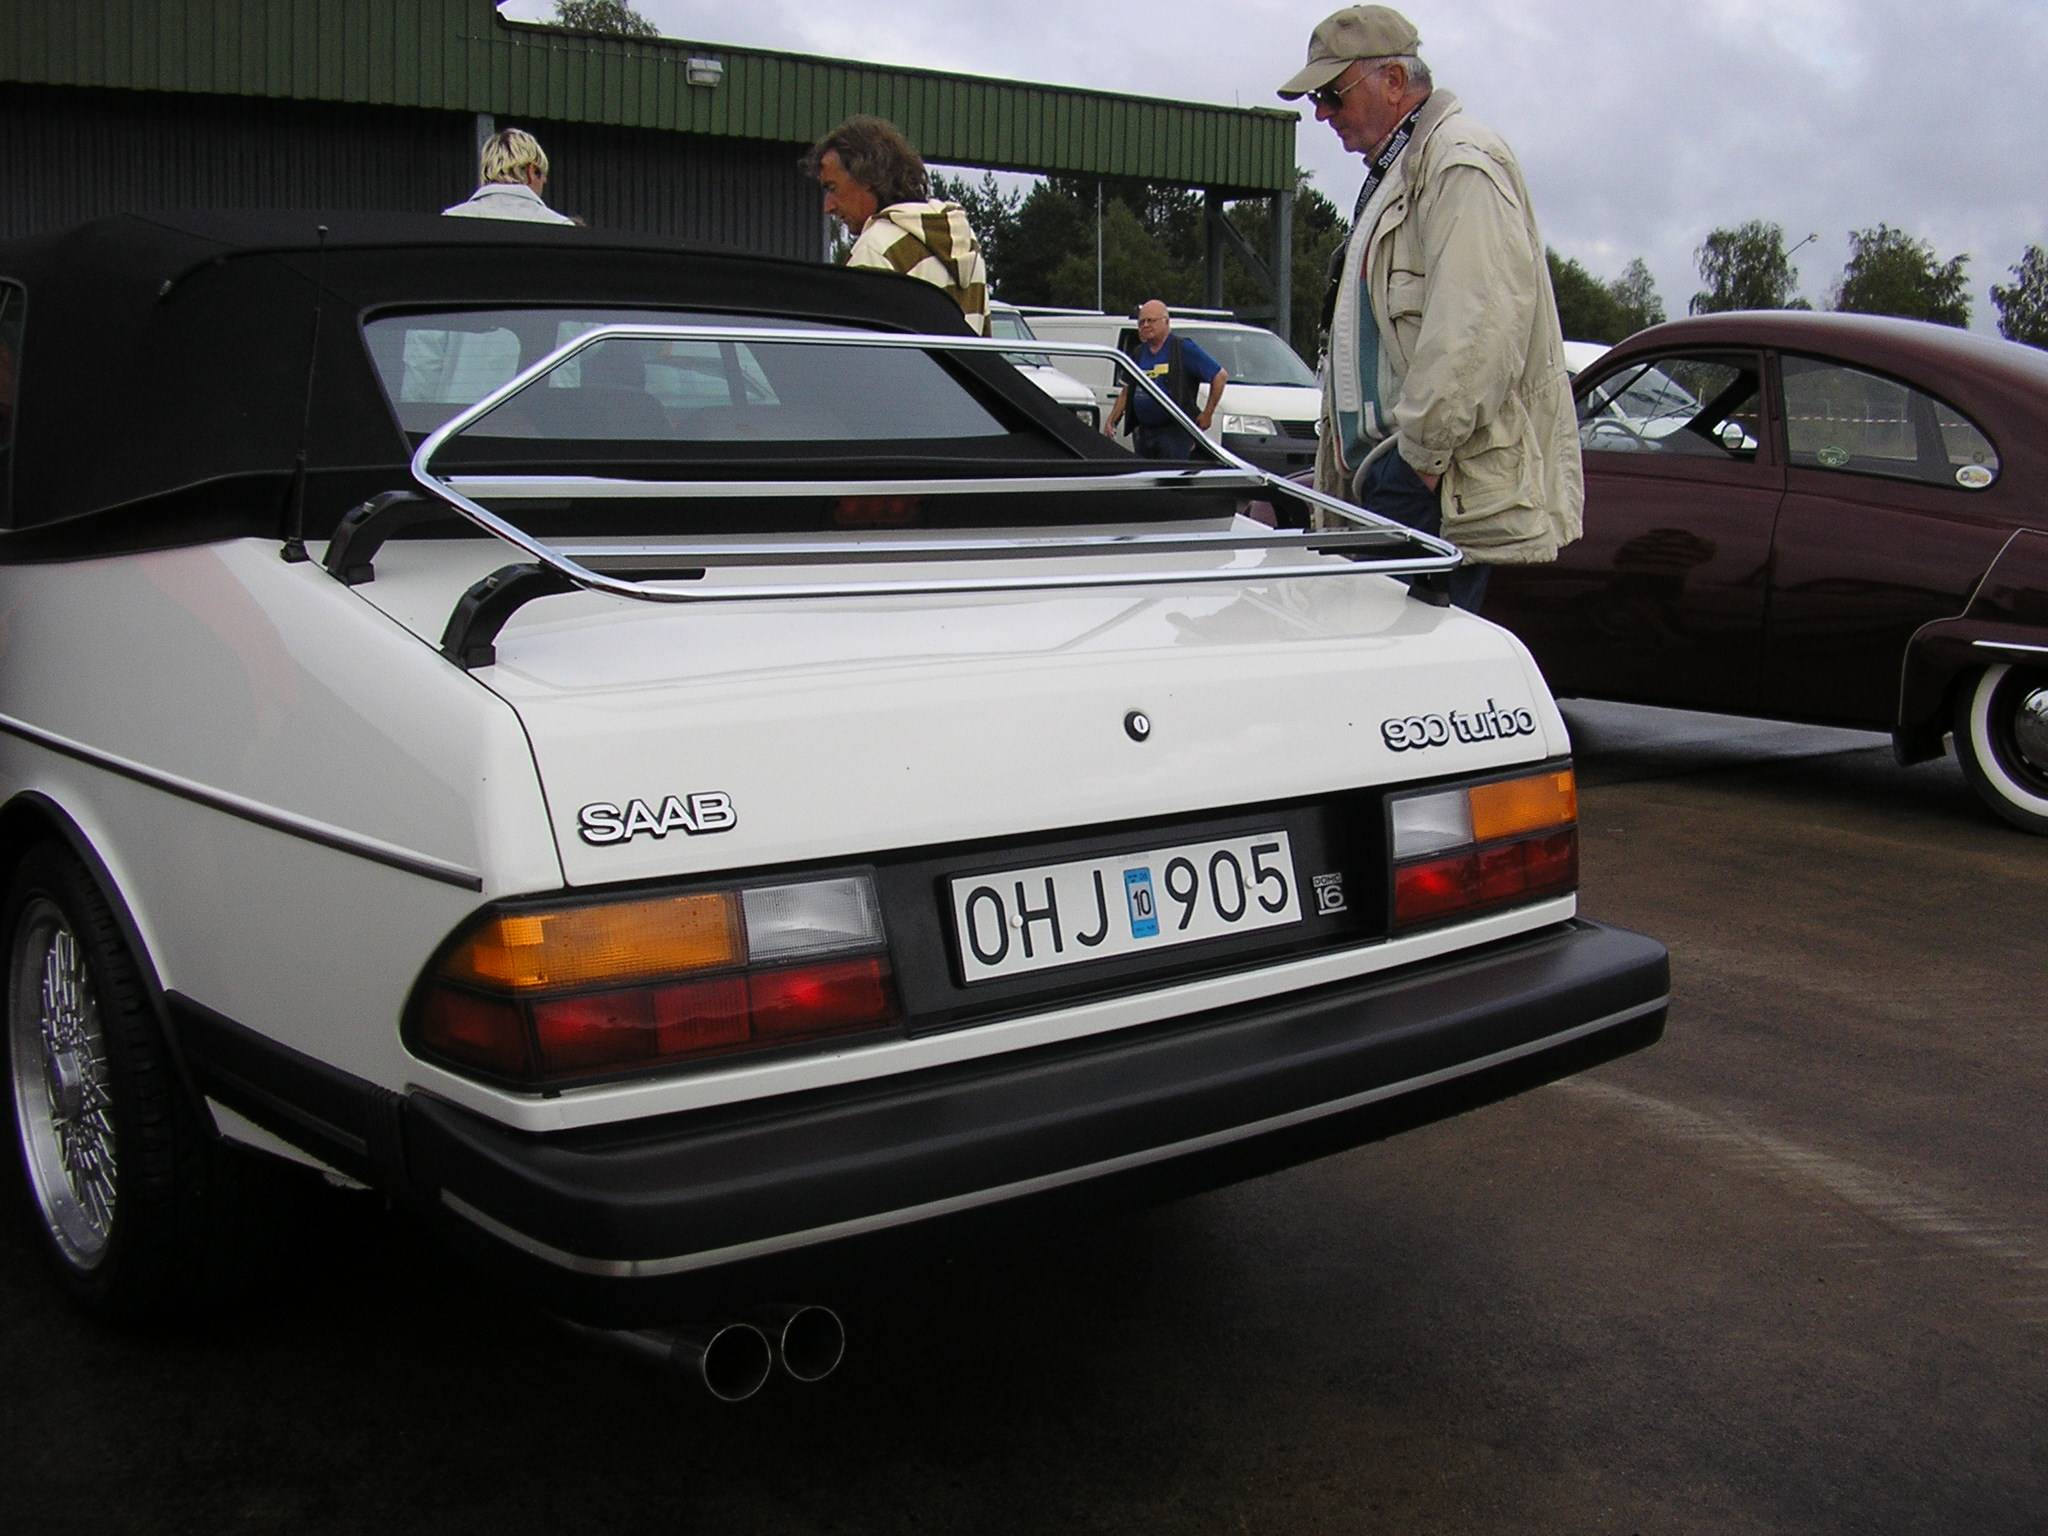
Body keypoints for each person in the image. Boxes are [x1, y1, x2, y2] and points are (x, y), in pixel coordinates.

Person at [1278, 5, 1580, 612]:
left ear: (1394, 82)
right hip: (1392, 482)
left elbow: (1476, 331)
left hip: (1422, 489)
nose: (1322, 113)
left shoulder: (1459, 162)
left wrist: (1418, 462)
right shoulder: (1401, 170)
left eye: (1333, 94)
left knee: (1395, 686)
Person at [803, 117, 990, 335]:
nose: (828, 206)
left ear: (868, 176)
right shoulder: (967, 242)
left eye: (832, 188)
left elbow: (861, 355)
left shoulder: (876, 248)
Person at [1101, 301, 1230, 460]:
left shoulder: (1182, 348)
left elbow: (1220, 376)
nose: (1146, 325)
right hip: (1144, 433)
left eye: (1151, 321)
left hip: (1175, 434)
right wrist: (1112, 419)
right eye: (1142, 322)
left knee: (1171, 480)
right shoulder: (1139, 353)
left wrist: (1207, 414)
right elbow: (1127, 391)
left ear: (1166, 321)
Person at [443, 128, 577, 224]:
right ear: (532, 171)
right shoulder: (561, 226)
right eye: (542, 174)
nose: (545, 181)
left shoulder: (449, 219)